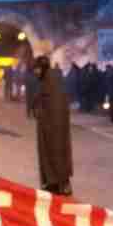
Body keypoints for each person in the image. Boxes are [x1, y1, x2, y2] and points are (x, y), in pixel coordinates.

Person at [32, 56, 73, 196]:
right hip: (49, 125)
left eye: (37, 69)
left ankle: (61, 184)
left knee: (57, 153)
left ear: (42, 68)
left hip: (54, 126)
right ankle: (53, 182)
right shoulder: (49, 80)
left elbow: (55, 104)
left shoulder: (52, 81)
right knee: (53, 153)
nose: (35, 72)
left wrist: (42, 113)